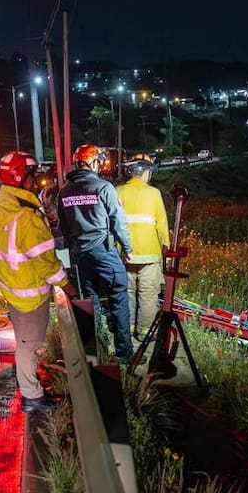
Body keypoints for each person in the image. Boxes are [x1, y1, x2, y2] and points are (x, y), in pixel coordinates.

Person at [0, 151, 77, 414]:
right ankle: (32, 397)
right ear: (21, 178)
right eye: (32, 176)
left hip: (11, 289)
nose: (35, 181)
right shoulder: (27, 216)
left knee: (23, 341)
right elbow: (45, 262)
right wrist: (67, 285)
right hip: (30, 295)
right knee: (28, 346)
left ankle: (30, 389)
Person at [57, 144, 134, 361]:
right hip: (103, 250)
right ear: (92, 162)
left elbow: (63, 225)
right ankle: (124, 353)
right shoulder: (104, 187)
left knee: (90, 300)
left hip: (80, 254)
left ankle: (97, 350)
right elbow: (118, 222)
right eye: (98, 162)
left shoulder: (65, 191)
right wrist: (126, 248)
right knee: (118, 295)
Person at [115, 157, 170, 339]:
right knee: (148, 294)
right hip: (149, 254)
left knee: (127, 292)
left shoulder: (118, 191)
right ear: (146, 173)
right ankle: (145, 333)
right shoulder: (153, 193)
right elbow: (162, 224)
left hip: (125, 254)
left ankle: (127, 329)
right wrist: (167, 251)